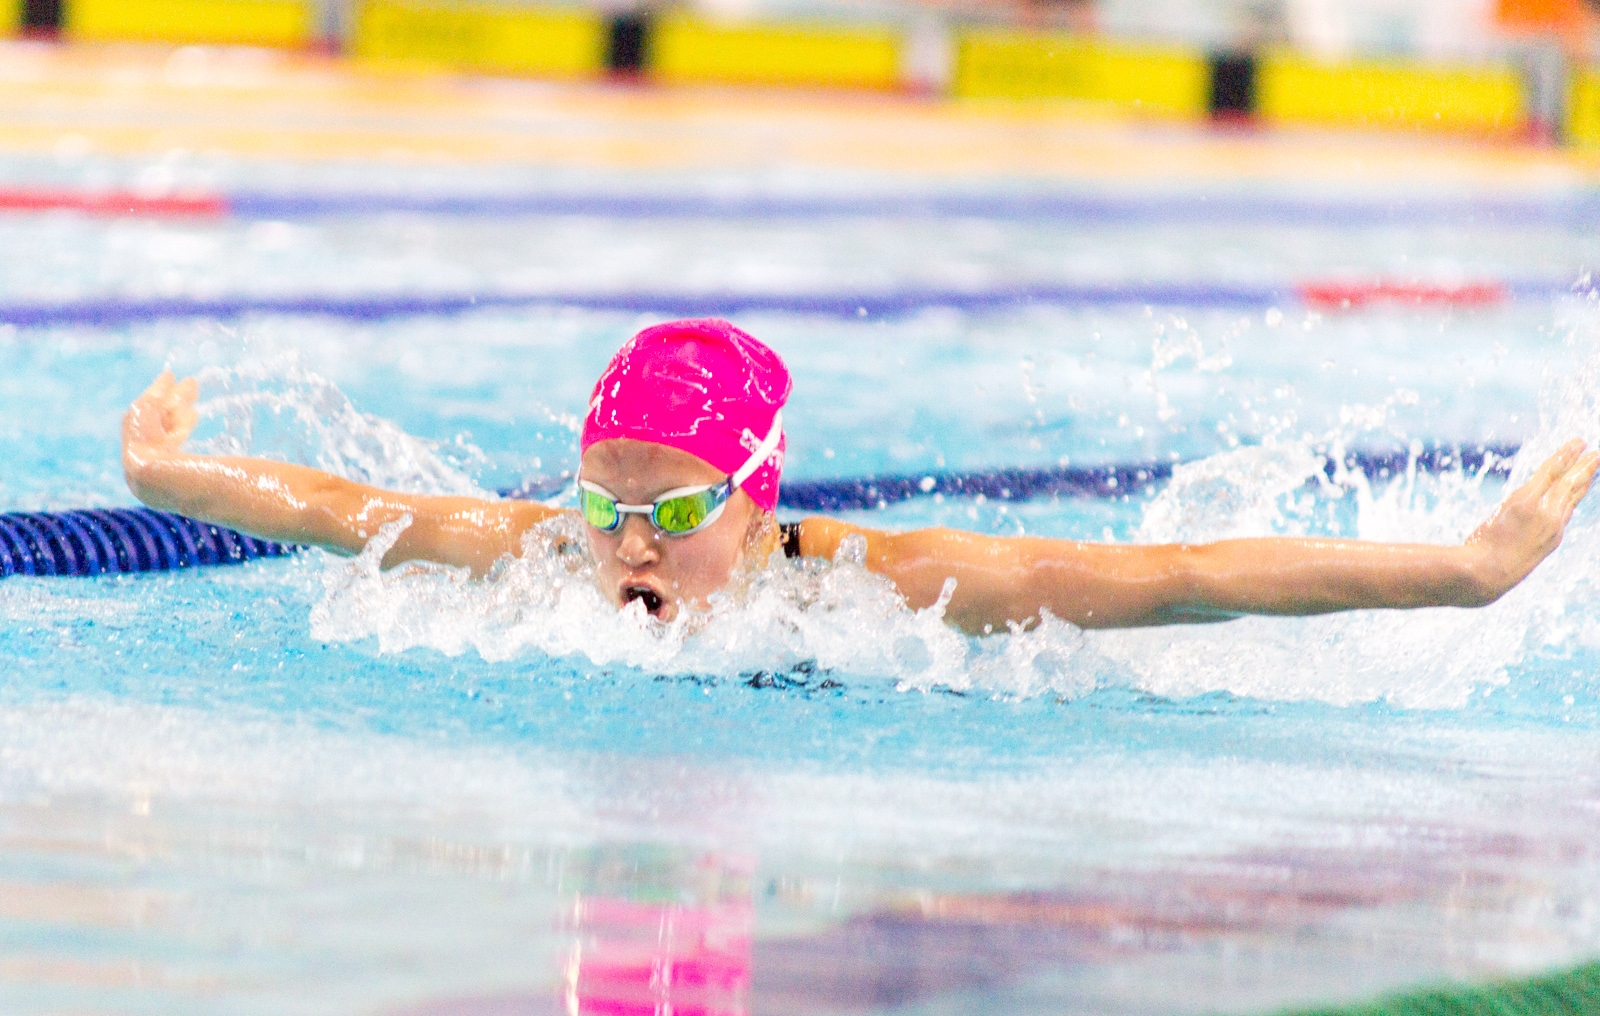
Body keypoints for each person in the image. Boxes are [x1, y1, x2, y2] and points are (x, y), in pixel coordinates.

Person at [122, 318, 1598, 633]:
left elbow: (1170, 576)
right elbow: (340, 510)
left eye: (676, 508)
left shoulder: (874, 592)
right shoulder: (551, 558)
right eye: (604, 501)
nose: (627, 543)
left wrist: (1462, 570)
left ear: (758, 498)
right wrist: (166, 476)